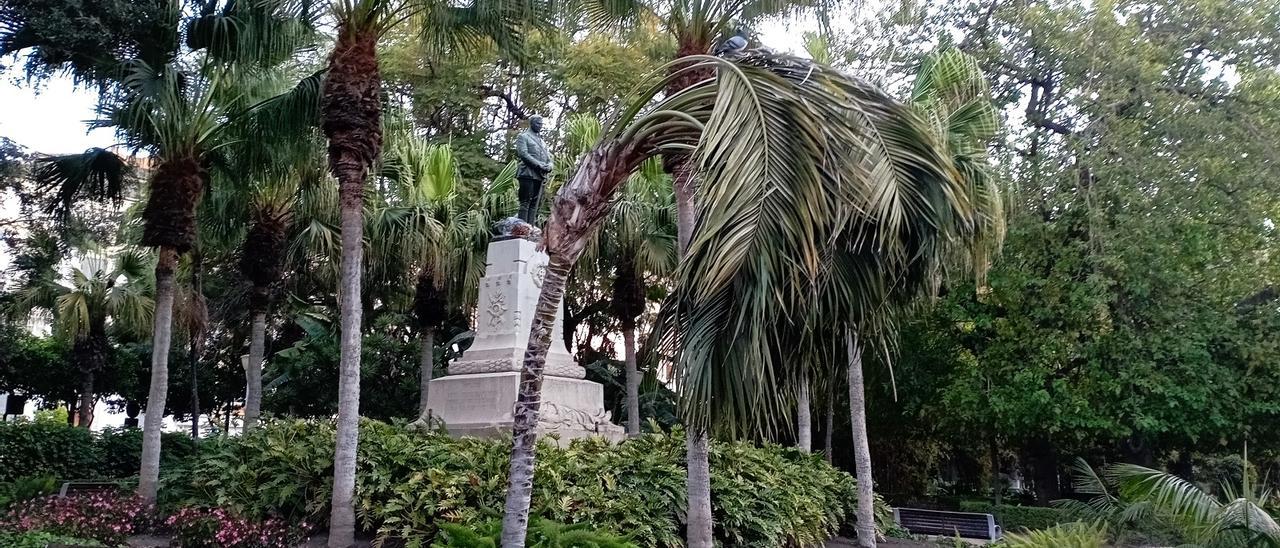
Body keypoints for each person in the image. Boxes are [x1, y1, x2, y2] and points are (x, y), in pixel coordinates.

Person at [513, 115, 553, 224]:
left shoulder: (542, 142)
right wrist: (539, 164)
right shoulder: (524, 137)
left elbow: (549, 158)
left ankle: (530, 229)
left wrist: (549, 166)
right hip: (527, 173)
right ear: (531, 123)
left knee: (534, 204)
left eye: (541, 124)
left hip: (540, 175)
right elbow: (523, 154)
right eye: (538, 124)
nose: (540, 126)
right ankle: (522, 229)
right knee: (525, 202)